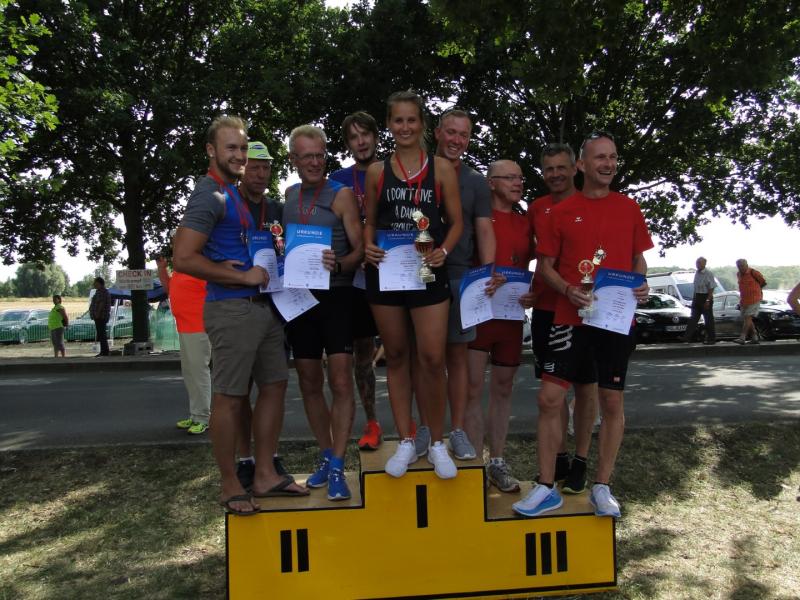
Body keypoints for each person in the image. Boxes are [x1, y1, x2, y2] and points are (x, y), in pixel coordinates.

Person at [513, 131, 653, 518]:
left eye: (612, 157)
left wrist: (641, 281)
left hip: (615, 319)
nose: (608, 164)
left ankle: (602, 487)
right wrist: (567, 289)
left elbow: (639, 259)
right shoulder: (560, 211)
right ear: (582, 165)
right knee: (549, 398)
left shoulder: (629, 208)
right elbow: (545, 266)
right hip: (569, 316)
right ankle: (546, 487)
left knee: (611, 400)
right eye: (600, 158)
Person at [174, 115, 307, 517]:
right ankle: (230, 483)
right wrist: (239, 275)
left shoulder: (231, 194)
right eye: (230, 147)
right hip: (231, 308)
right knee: (230, 397)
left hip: (264, 307)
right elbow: (183, 257)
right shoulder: (210, 196)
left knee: (275, 386)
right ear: (211, 150)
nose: (239, 155)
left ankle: (264, 473)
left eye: (242, 148)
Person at [363, 90, 464, 479]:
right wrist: (368, 246)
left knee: (433, 358)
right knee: (397, 355)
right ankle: (406, 439)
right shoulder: (377, 172)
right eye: (397, 120)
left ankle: (436, 442)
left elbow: (456, 222)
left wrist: (445, 250)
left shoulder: (441, 169)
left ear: (422, 124)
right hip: (388, 270)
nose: (404, 127)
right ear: (389, 124)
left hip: (427, 269)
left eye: (411, 120)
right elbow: (371, 220)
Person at [283, 124, 363, 501]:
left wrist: (340, 264)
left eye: (320, 155)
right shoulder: (289, 195)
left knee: (341, 381)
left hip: (337, 296)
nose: (315, 162)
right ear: (294, 160)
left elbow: (359, 250)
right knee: (309, 381)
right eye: (307, 156)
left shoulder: (341, 194)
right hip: (299, 298)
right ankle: (327, 454)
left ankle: (339, 465)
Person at [415, 108, 496, 462]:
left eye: (463, 135)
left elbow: (484, 229)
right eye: (451, 132)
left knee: (457, 356)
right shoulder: (415, 170)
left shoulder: (476, 181)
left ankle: (458, 430)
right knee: (424, 357)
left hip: (460, 274)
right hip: (418, 272)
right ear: (437, 132)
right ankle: (424, 428)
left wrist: (487, 272)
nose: (456, 140)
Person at [527, 143, 599, 496]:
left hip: (585, 311)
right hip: (545, 309)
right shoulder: (537, 207)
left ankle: (581, 460)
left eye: (561, 167)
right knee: (551, 392)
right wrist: (522, 287)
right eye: (549, 169)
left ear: (575, 168)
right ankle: (559, 458)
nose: (555, 174)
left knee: (586, 386)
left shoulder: (591, 204)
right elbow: (530, 255)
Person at [465, 160, 533, 492]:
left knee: (504, 388)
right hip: (479, 313)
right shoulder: (476, 218)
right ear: (491, 183)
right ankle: (473, 465)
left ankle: (497, 461)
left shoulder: (525, 222)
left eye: (520, 178)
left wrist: (534, 292)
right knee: (472, 389)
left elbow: (538, 266)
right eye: (510, 178)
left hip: (511, 316)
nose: (518, 183)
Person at [234, 140, 291, 488]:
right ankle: (245, 459)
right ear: (242, 168)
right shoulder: (228, 204)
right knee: (239, 390)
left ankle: (269, 458)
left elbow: (290, 248)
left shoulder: (277, 209)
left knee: (275, 385)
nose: (260, 173)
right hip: (237, 304)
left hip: (274, 306)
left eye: (266, 167)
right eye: (254, 166)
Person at [329, 112, 383, 451]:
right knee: (358, 355)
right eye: (353, 137)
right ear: (348, 143)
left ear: (376, 136)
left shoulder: (393, 172)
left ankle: (410, 426)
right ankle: (370, 422)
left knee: (403, 352)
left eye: (365, 134)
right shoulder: (337, 180)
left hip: (390, 274)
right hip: (352, 279)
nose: (361, 142)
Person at [156, 256, 211, 435]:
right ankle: (196, 415)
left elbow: (214, 294)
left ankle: (203, 418)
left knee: (198, 373)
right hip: (185, 328)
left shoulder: (200, 267)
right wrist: (162, 269)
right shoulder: (181, 270)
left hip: (199, 327)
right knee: (189, 374)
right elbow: (169, 290)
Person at [683, 256, 716, 344]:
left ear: (704, 264)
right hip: (697, 296)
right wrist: (694, 299)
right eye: (697, 263)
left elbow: (711, 288)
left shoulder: (708, 273)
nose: (697, 265)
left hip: (705, 297)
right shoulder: (696, 273)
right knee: (693, 318)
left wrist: (708, 300)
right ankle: (686, 337)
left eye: (699, 263)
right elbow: (696, 287)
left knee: (708, 319)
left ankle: (711, 339)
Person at [734, 258, 766, 345]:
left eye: (742, 266)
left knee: (748, 317)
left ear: (747, 265)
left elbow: (763, 282)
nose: (741, 268)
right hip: (744, 300)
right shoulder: (738, 274)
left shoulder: (753, 272)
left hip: (754, 299)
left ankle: (742, 337)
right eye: (739, 266)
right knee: (747, 318)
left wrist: (756, 290)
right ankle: (755, 337)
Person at [89, 277, 111, 357]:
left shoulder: (102, 292)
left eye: (95, 282)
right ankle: (104, 351)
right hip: (99, 316)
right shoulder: (99, 291)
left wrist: (97, 313)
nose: (94, 284)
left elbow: (101, 303)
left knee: (102, 334)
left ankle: (105, 352)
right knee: (101, 334)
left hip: (101, 316)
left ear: (99, 283)